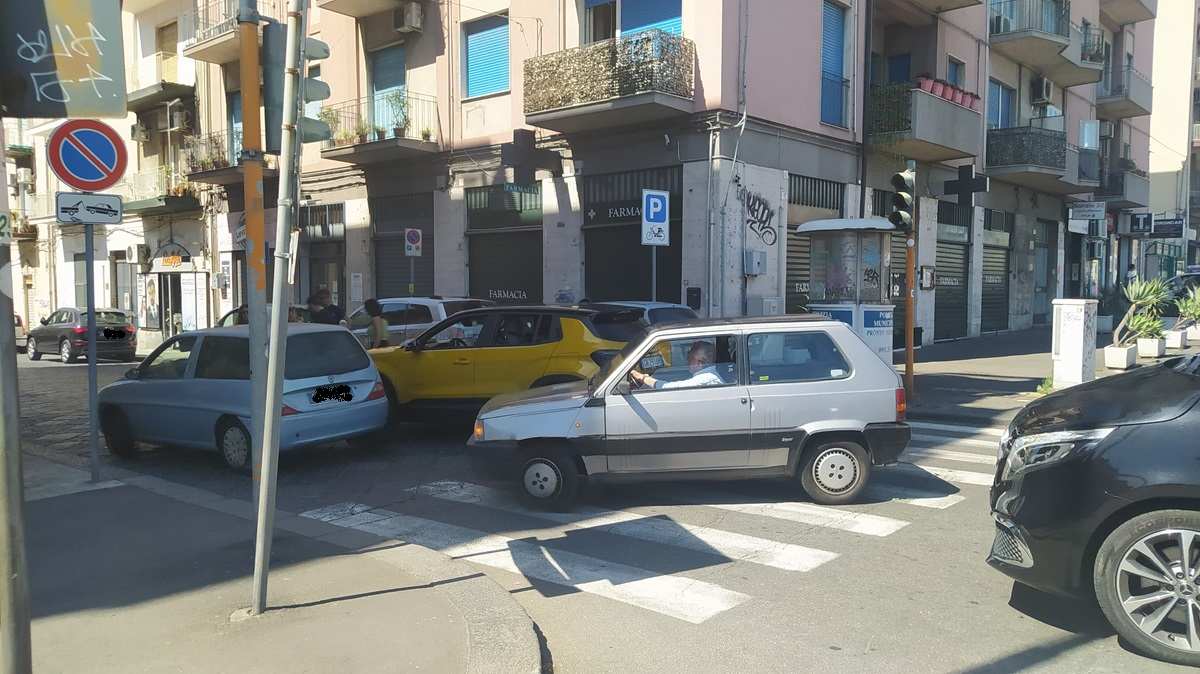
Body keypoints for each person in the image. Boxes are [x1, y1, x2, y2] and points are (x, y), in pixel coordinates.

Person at [629, 341, 725, 390]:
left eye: (690, 357)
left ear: (700, 363)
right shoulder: (707, 375)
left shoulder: (706, 379)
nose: (687, 360)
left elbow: (669, 388)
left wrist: (643, 378)